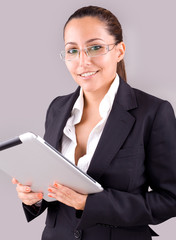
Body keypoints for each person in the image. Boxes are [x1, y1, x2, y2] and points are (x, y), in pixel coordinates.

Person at [12, 5, 176, 240]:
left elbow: (170, 199)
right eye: (72, 50)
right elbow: (54, 189)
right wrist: (33, 198)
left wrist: (90, 203)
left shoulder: (153, 112)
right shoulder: (57, 108)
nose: (83, 61)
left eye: (95, 47)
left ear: (119, 51)